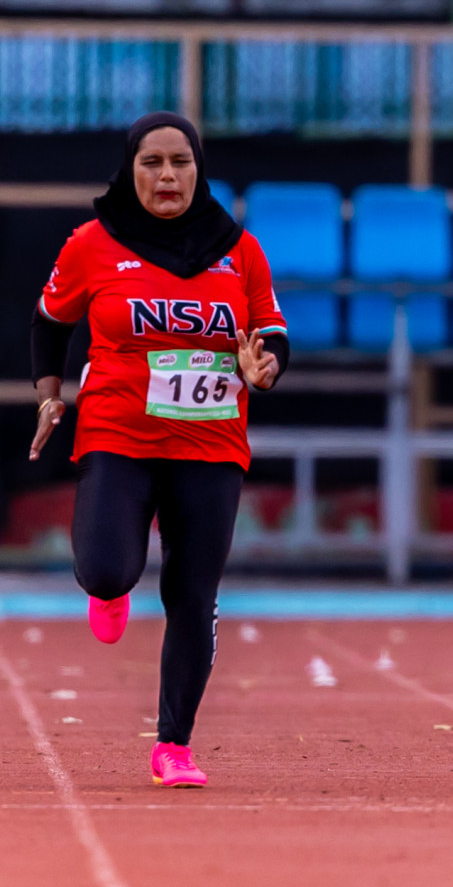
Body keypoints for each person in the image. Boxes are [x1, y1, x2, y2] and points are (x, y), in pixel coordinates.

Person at [30, 112, 289, 788]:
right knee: (107, 569)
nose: (168, 175)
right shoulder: (93, 244)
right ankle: (109, 590)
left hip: (210, 442)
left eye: (181, 162)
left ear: (199, 171)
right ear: (131, 170)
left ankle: (174, 744)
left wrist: (264, 368)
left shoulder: (239, 249)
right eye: (153, 163)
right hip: (119, 434)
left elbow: (271, 333)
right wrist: (49, 393)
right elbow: (50, 321)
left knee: (192, 594)